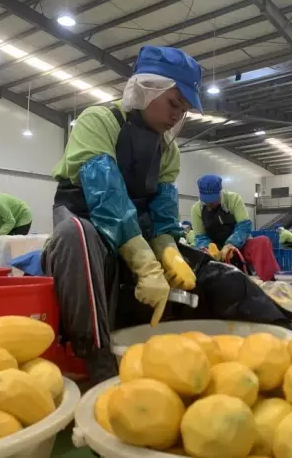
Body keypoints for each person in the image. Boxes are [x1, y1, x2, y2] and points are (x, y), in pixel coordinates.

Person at [46, 45, 201, 381]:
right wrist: (144, 262)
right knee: (78, 238)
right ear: (147, 88)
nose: (178, 114)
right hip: (84, 214)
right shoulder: (99, 121)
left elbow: (162, 215)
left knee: (204, 266)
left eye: (184, 109)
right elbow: (105, 196)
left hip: (136, 226)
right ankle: (95, 355)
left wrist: (169, 252)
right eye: (174, 102)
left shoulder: (167, 150)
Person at [192, 174, 279, 281]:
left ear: (220, 191)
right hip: (216, 252)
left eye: (213, 200)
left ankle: (270, 283)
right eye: (207, 201)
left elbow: (244, 226)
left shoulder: (233, 199)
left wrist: (230, 244)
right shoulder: (196, 210)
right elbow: (200, 237)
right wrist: (211, 250)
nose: (210, 204)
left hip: (240, 246)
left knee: (262, 242)